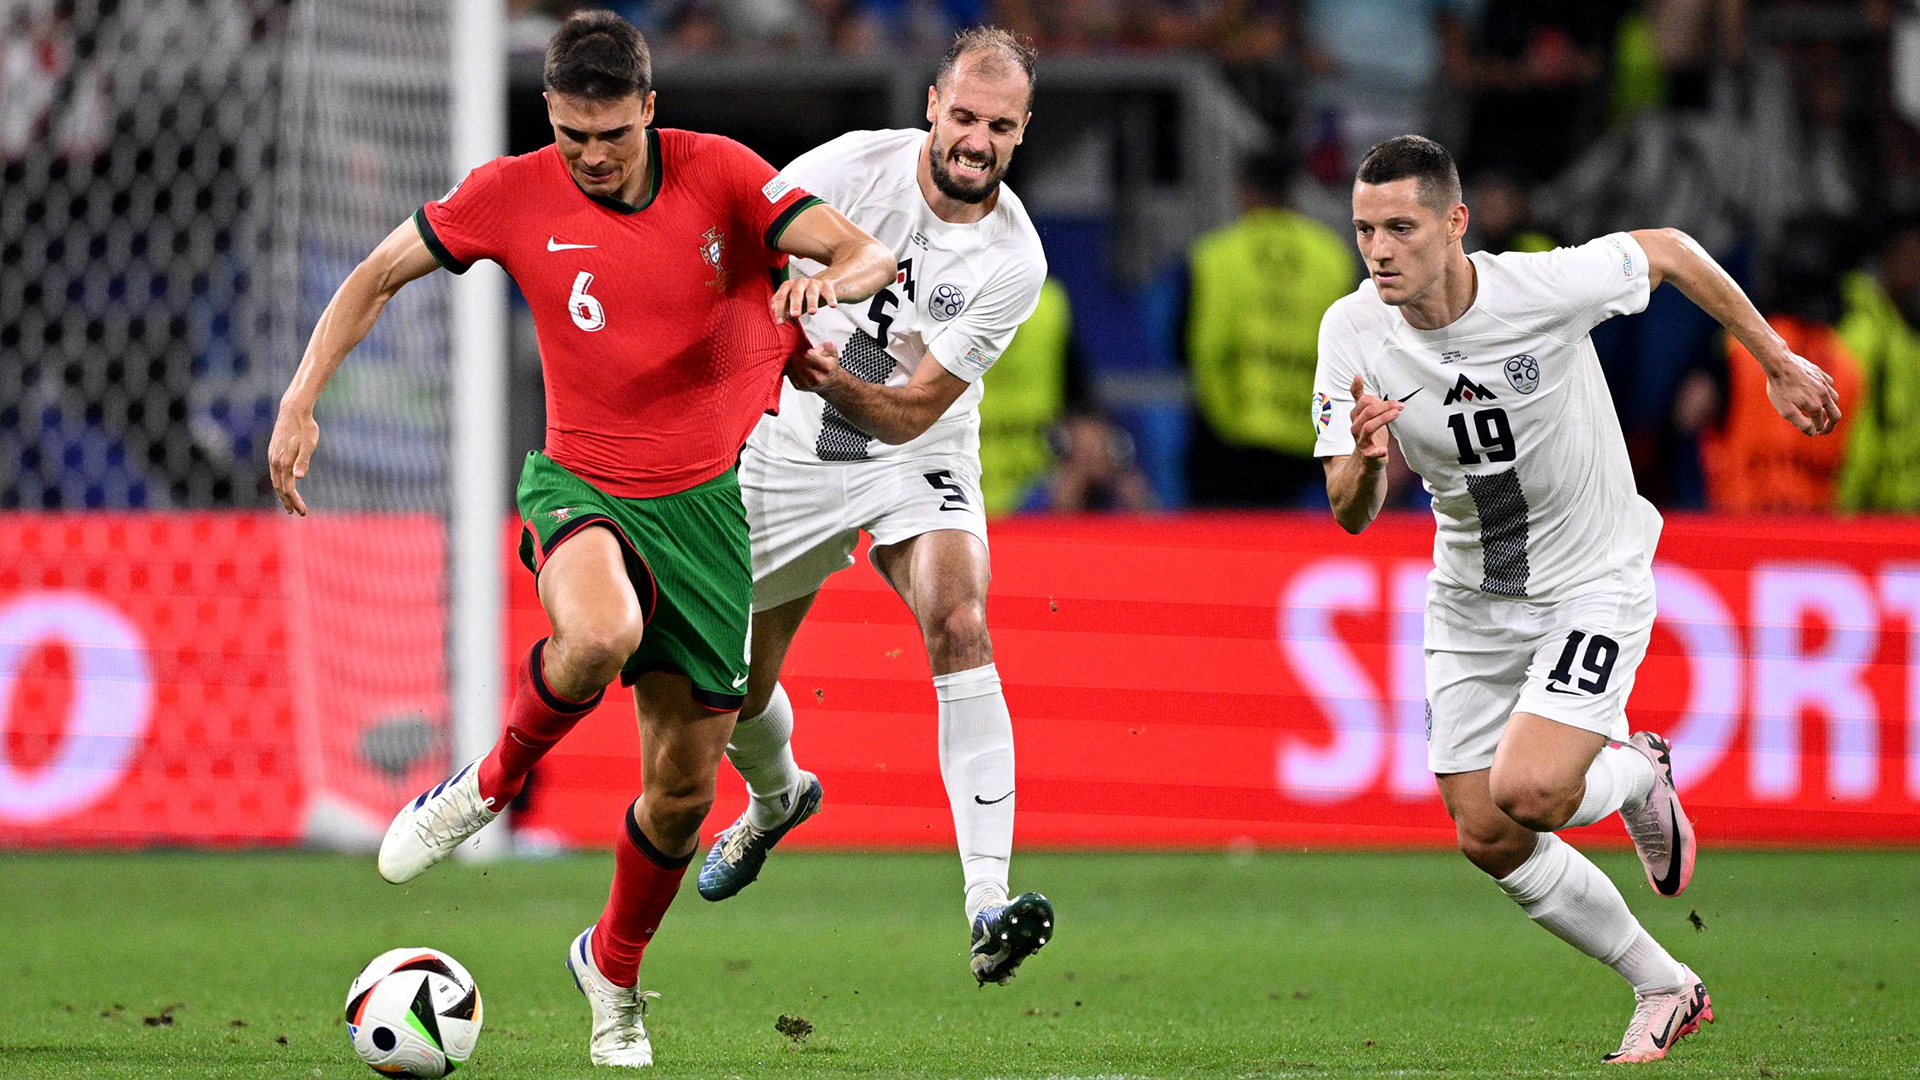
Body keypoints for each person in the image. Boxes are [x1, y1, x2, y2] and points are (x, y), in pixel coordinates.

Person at [266, 12, 893, 1067]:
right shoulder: (509, 193)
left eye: (611, 134)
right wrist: (299, 398)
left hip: (704, 512)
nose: (592, 157)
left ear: (649, 106)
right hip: (580, 484)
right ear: (549, 118)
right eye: (571, 136)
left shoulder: (725, 176)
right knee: (597, 634)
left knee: (685, 791)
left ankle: (612, 972)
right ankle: (486, 787)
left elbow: (864, 249)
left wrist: (830, 280)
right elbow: (377, 272)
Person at [1313, 136, 1838, 1064]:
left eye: (1400, 227)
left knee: (1533, 790)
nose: (1380, 250)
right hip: (1473, 594)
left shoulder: (1540, 288)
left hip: (1591, 575)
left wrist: (1775, 358)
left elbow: (1671, 249)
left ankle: (1638, 770)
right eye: (1365, 230)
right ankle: (1665, 983)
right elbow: (1351, 516)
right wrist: (1362, 460)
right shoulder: (1351, 331)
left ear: (1454, 224)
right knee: (1484, 831)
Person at [693, 28, 1055, 986]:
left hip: (910, 449)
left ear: (1021, 135)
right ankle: (776, 800)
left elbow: (912, 413)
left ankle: (987, 901)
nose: (977, 141)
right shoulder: (849, 169)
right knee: (722, 686)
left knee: (961, 620)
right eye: (966, 117)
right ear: (934, 103)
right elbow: (738, 248)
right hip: (787, 455)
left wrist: (817, 372)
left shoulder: (1016, 260)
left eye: (1000, 127)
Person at [1180, 150, 1356, 507]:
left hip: (1225, 437)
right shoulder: (1332, 257)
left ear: (1244, 191)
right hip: (1306, 440)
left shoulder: (1215, 254)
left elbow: (1185, 344)